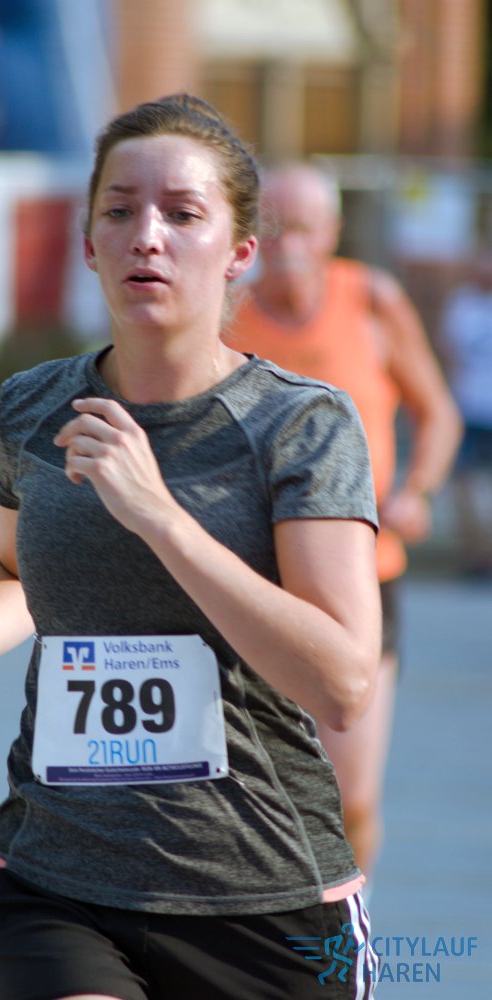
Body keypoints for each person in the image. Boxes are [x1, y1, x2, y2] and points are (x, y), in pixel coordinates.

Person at [0, 96, 382, 1000]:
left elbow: (342, 683)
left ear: (240, 250)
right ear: (88, 244)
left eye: (182, 213)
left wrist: (160, 516)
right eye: (120, 211)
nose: (147, 237)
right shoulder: (30, 407)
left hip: (265, 898)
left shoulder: (301, 424)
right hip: (53, 878)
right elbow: (14, 571)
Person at [224, 162, 462, 884]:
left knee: (351, 797)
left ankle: (344, 920)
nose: (287, 245)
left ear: (333, 232)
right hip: (252, 580)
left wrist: (417, 490)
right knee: (252, 795)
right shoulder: (227, 311)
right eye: (273, 228)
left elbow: (438, 414)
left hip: (362, 578)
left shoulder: (372, 301)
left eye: (303, 228)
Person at [438, 248, 492, 576]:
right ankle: (475, 552)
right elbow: (450, 353)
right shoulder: (462, 304)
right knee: (464, 482)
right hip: (469, 407)